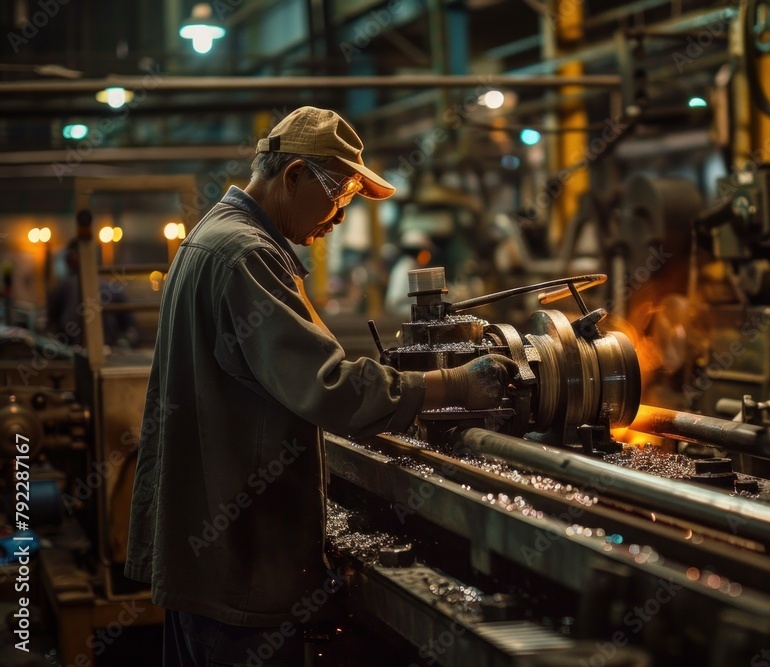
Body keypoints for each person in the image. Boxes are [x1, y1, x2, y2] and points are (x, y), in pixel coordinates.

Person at [125, 106, 517, 666]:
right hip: (240, 565)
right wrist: (450, 384)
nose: (337, 219)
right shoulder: (249, 256)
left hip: (207, 557)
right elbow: (329, 386)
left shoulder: (210, 238)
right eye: (338, 197)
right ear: (294, 176)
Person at [46, 238, 138, 349]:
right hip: (108, 348)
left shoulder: (64, 287)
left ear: (70, 260)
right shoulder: (110, 287)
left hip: (71, 349)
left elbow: (51, 322)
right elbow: (129, 327)